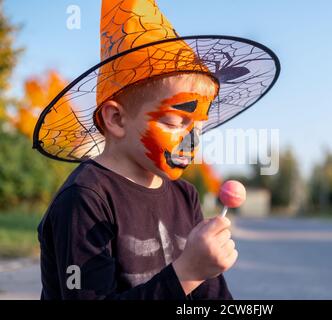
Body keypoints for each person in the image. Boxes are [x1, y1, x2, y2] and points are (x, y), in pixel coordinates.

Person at [34, 0, 280, 300]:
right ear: (116, 119)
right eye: (177, 122)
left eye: (199, 127)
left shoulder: (184, 195)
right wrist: (187, 272)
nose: (193, 142)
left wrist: (204, 268)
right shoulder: (85, 200)